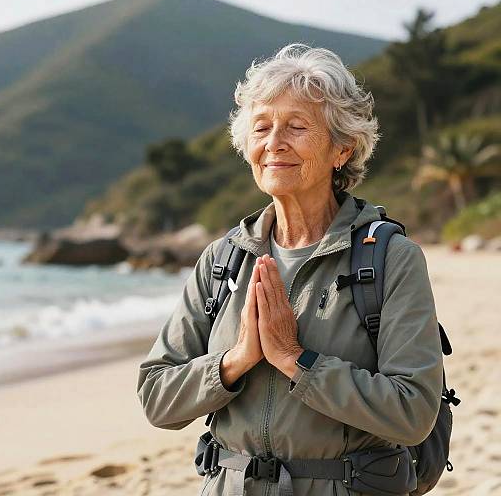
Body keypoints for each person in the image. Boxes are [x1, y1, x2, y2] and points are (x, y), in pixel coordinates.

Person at [137, 43, 443, 496]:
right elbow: (157, 398)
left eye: (297, 127)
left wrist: (297, 362)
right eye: (261, 128)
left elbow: (413, 411)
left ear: (343, 149)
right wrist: (236, 361)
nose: (274, 143)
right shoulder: (222, 259)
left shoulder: (390, 258)